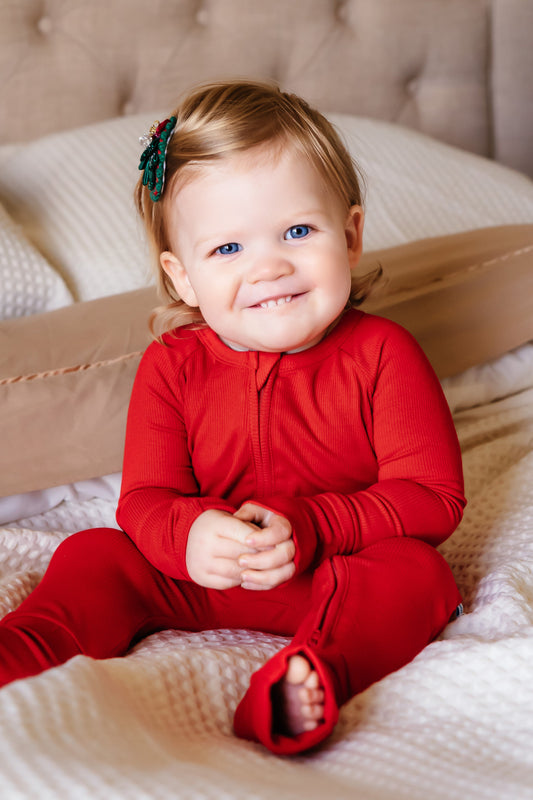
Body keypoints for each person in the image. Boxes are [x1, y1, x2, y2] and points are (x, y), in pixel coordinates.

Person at [0, 81, 465, 756]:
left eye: (298, 231)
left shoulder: (382, 353)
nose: (269, 266)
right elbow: (145, 501)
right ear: (181, 276)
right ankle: (25, 649)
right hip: (197, 578)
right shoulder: (172, 365)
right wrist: (188, 535)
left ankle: (307, 680)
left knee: (420, 575)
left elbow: (433, 499)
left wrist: (315, 525)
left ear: (352, 235)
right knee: (96, 553)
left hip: (329, 574)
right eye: (226, 249)